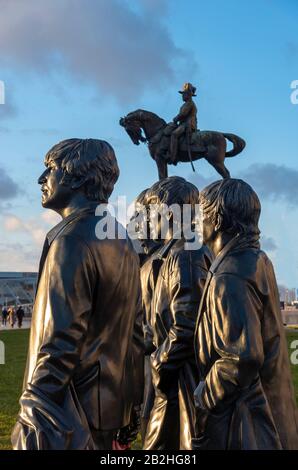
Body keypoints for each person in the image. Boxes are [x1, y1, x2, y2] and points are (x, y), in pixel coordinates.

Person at [11, 138, 144, 450]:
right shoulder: (120, 237)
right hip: (110, 407)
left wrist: (33, 418)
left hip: (71, 414)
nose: (42, 179)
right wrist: (132, 411)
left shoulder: (71, 240)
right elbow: (135, 336)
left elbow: (56, 345)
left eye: (51, 169)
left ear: (79, 177)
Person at [193, 178, 298, 450]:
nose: (196, 222)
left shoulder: (230, 275)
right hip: (271, 410)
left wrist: (205, 395)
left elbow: (242, 356)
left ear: (216, 220)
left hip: (245, 423)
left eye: (201, 214)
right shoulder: (256, 258)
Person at [143, 176, 213, 450]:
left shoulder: (185, 254)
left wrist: (160, 365)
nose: (148, 221)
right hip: (176, 377)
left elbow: (186, 325)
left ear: (169, 213)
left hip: (180, 379)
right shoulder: (179, 251)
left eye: (151, 212)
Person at [170, 82, 198, 164]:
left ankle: (173, 157)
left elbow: (183, 114)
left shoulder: (189, 103)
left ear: (189, 94)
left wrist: (175, 118)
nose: (182, 96)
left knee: (174, 135)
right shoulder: (186, 104)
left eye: (184, 94)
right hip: (183, 124)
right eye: (182, 94)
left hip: (187, 124)